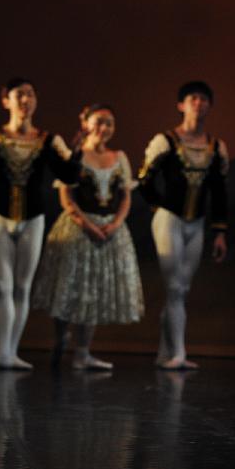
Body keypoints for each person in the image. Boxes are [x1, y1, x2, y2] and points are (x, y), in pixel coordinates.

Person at [0, 78, 82, 370]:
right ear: (6, 100)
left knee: (22, 287)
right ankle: (2, 350)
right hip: (0, 216)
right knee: (1, 285)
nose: (25, 100)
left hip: (33, 217)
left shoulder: (48, 140)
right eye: (19, 94)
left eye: (31, 94)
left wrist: (76, 152)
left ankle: (12, 351)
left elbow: (69, 175)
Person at [33, 104, 144, 370]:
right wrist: (86, 224)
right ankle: (62, 337)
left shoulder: (119, 157)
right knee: (69, 286)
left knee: (94, 289)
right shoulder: (76, 155)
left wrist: (116, 223)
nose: (104, 128)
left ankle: (83, 351)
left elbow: (125, 196)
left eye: (109, 123)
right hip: (79, 228)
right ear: (85, 123)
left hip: (109, 228)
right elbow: (67, 197)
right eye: (99, 121)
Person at [137, 81, 228, 370]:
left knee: (181, 288)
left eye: (204, 99)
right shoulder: (166, 141)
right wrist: (159, 208)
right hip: (170, 219)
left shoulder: (216, 147)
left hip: (196, 222)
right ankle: (178, 353)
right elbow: (144, 179)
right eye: (193, 99)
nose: (198, 104)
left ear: (209, 106)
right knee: (175, 286)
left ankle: (165, 353)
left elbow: (219, 191)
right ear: (181, 105)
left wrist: (220, 232)